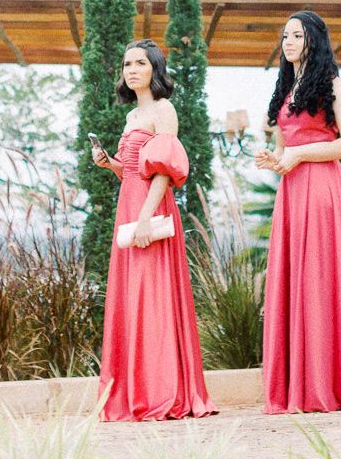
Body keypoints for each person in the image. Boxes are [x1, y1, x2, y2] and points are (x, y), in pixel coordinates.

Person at [257, 11, 341, 414]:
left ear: (314, 39)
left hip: (324, 189)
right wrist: (274, 159)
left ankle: (330, 382)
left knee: (320, 280)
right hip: (291, 193)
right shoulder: (285, 89)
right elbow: (284, 150)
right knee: (296, 282)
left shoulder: (332, 85)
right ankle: (298, 384)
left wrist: (300, 154)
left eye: (297, 35)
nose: (288, 42)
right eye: (285, 36)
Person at [93, 39, 216, 422]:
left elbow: (163, 170)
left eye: (140, 63)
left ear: (155, 69)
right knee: (133, 298)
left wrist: (147, 217)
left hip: (150, 207)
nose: (131, 70)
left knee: (153, 296)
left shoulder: (164, 109)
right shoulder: (133, 115)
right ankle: (137, 389)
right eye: (127, 64)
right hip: (129, 204)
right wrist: (110, 164)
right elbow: (133, 170)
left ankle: (163, 392)